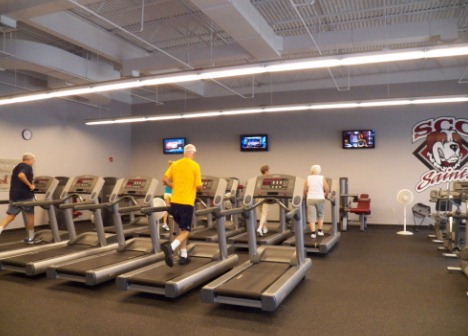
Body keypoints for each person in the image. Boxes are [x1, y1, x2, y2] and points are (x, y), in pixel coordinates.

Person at [161, 144, 202, 266]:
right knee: (186, 232)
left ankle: (184, 255)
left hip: (175, 202)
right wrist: (198, 188)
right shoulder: (195, 165)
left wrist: (175, 187)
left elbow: (164, 179)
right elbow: (199, 186)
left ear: (184, 153)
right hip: (186, 202)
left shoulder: (175, 164)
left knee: (182, 229)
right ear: (194, 154)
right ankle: (171, 247)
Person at [0, 153, 38, 244]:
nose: (33, 162)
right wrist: (30, 185)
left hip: (14, 196)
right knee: (30, 216)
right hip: (25, 196)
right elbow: (21, 175)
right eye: (33, 161)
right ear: (30, 160)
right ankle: (31, 238)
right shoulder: (27, 167)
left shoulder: (17, 167)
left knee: (11, 215)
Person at [304, 164, 330, 239]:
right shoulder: (322, 178)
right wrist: (326, 195)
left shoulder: (308, 178)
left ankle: (313, 233)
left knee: (311, 215)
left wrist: (306, 196)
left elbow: (305, 189)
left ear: (311, 170)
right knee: (320, 214)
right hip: (320, 198)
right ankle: (320, 230)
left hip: (310, 198)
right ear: (319, 171)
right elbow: (327, 188)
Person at [256, 164, 270, 236]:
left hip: (258, 198)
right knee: (264, 213)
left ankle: (265, 228)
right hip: (265, 198)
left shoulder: (258, 179)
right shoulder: (268, 179)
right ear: (266, 171)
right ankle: (260, 227)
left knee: (262, 214)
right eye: (268, 171)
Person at [161, 160, 173, 231]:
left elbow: (164, 182)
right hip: (173, 193)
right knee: (176, 208)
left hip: (166, 193)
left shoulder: (167, 174)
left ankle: (165, 223)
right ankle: (175, 224)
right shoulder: (174, 174)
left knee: (166, 208)